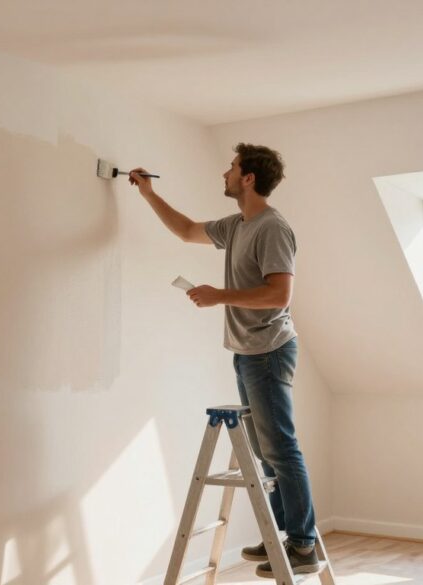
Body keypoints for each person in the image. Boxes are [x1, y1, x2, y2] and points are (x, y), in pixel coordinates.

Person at [129, 144, 319, 577]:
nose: (225, 173)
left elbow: (279, 294)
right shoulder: (237, 226)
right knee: (266, 454)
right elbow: (186, 230)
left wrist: (220, 296)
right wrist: (148, 194)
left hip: (269, 350)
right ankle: (281, 535)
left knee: (280, 449)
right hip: (247, 351)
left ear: (248, 178)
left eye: (232, 168)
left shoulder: (272, 228)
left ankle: (302, 544)